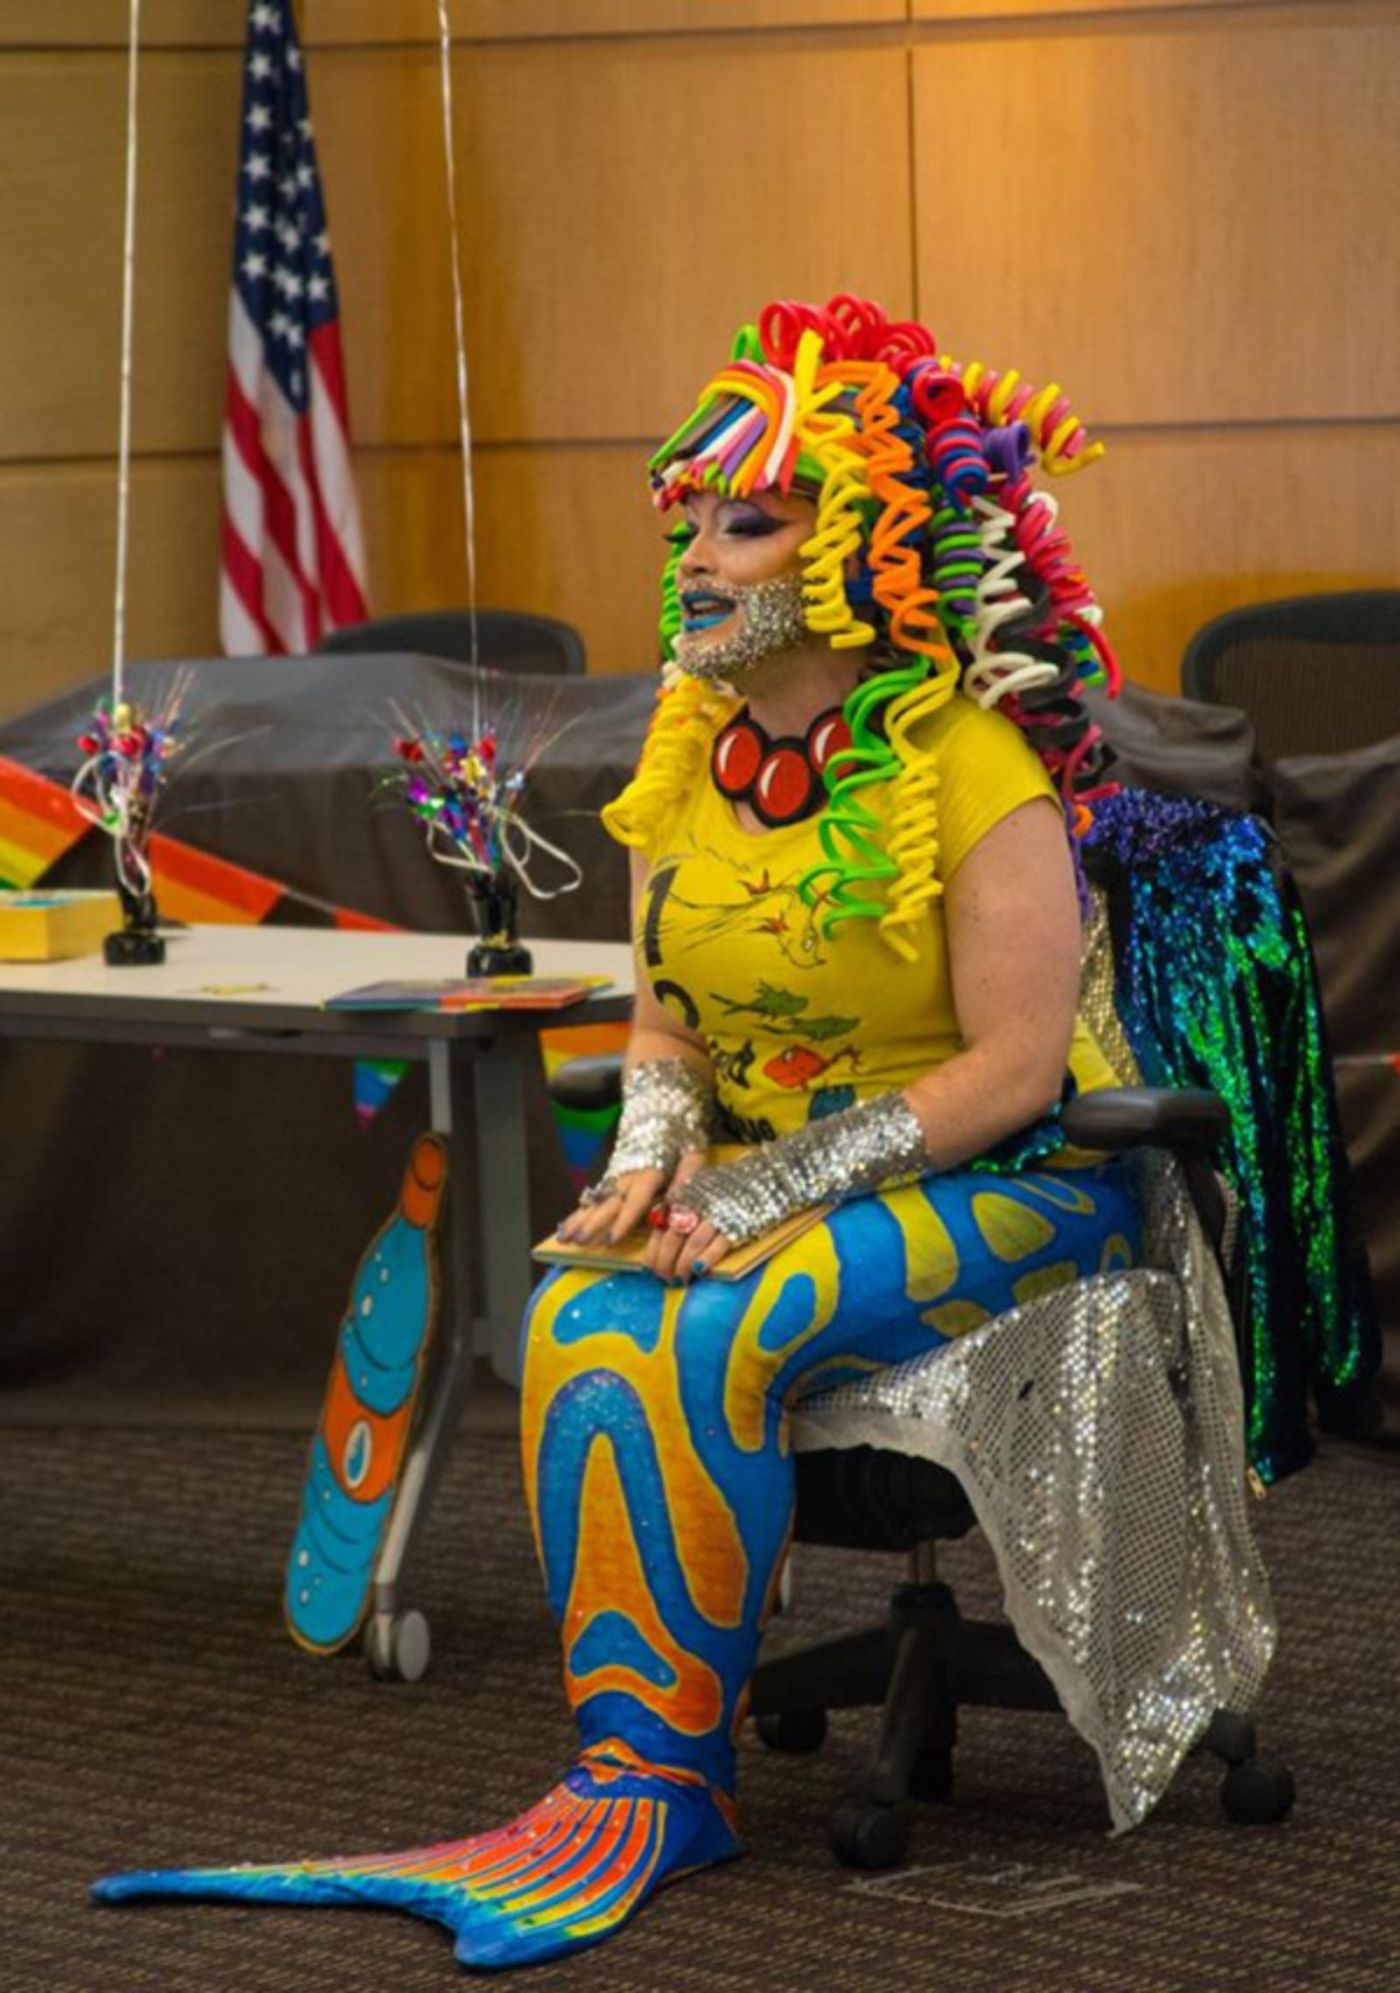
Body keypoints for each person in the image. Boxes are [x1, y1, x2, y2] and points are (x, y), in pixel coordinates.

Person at [95, 294, 1140, 1969]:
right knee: (584, 1307)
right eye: (685, 522)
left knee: (726, 1313)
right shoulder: (686, 746)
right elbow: (664, 1017)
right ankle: (640, 1775)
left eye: (749, 518)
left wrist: (773, 1185)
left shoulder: (973, 760)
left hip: (1012, 1174)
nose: (698, 558)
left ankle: (658, 1781)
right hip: (745, 1180)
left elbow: (1021, 1067)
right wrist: (651, 1162)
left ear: (871, 536)